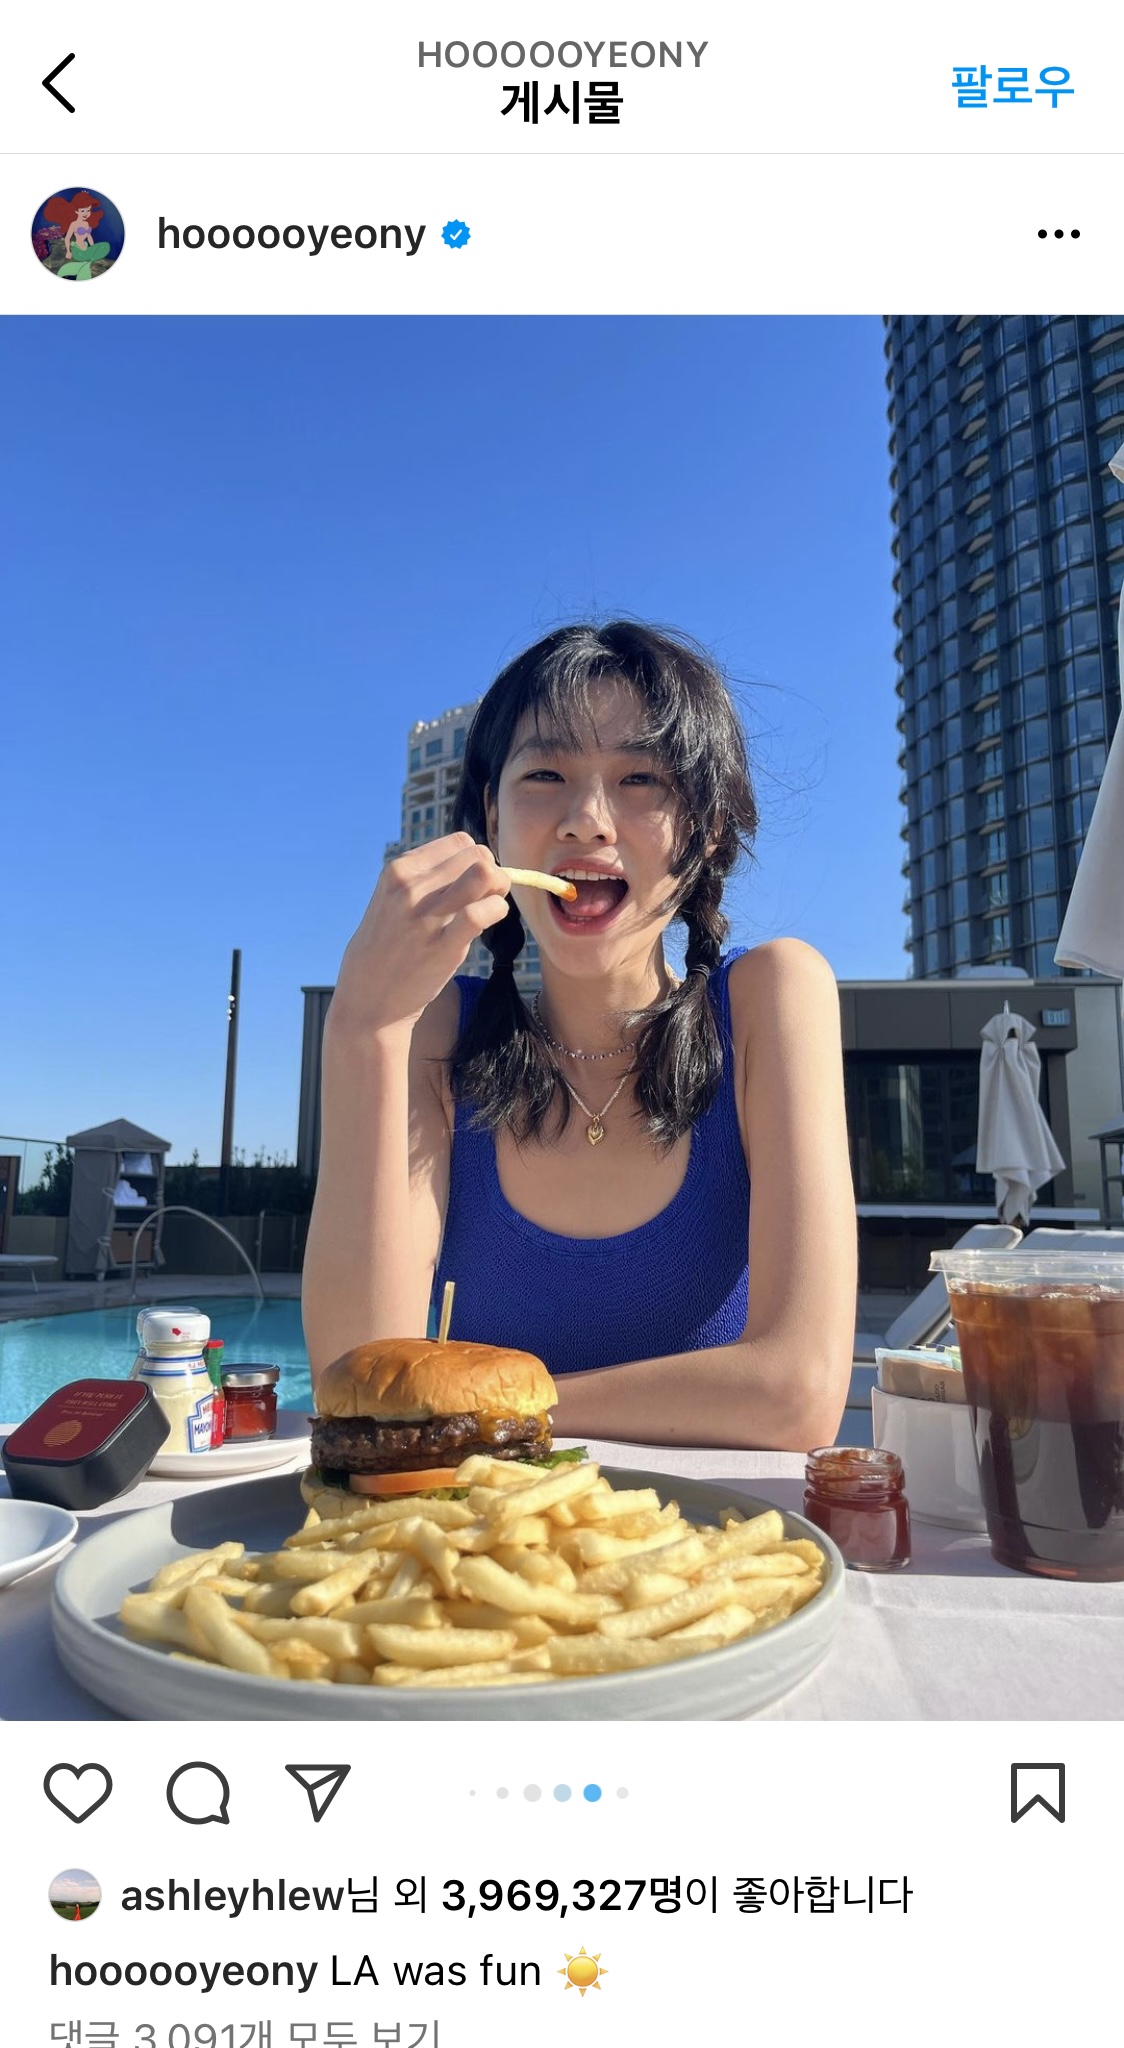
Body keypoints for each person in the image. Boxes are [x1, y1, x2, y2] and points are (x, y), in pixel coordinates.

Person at [303, 621, 856, 1449]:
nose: (587, 820)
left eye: (641, 778)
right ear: (492, 818)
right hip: (480, 1531)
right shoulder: (435, 1032)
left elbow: (798, 1392)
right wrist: (363, 1025)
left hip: (714, 1534)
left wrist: (480, 1410)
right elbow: (359, 1378)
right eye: (545, 775)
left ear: (706, 829)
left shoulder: (772, 999)